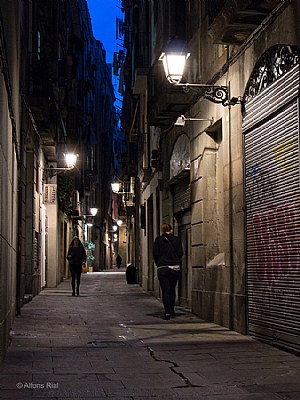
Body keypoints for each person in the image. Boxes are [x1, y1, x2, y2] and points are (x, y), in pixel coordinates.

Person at [153, 223, 183, 320]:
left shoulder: (158, 240)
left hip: (163, 268)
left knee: (165, 291)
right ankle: (172, 310)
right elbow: (180, 253)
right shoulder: (177, 239)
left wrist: (159, 264)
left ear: (162, 230)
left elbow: (155, 254)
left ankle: (167, 312)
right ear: (171, 229)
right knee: (172, 290)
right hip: (175, 267)